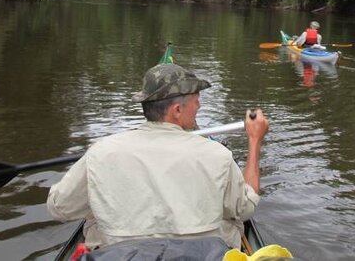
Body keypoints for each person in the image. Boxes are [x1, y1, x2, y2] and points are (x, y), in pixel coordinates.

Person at [46, 63, 269, 250]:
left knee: (93, 217)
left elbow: (59, 208)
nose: (199, 105)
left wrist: (97, 200)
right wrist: (254, 140)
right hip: (201, 255)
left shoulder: (101, 152)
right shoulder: (217, 155)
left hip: (120, 255)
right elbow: (246, 208)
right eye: (196, 99)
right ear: (177, 111)